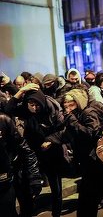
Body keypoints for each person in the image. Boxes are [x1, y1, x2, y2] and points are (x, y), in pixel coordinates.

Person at [5, 83, 66, 217]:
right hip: (32, 153)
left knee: (56, 188)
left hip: (51, 152)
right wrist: (21, 91)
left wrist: (50, 140)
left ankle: (56, 213)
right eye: (31, 104)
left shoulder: (53, 109)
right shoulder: (25, 110)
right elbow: (7, 110)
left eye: (37, 104)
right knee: (30, 185)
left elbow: (64, 130)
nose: (34, 108)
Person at [62, 88, 103, 217]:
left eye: (71, 105)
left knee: (93, 195)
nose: (68, 109)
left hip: (96, 161)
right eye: (65, 106)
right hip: (90, 162)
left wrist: (73, 122)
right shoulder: (76, 115)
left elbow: (91, 133)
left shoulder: (87, 113)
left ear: (79, 102)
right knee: (90, 197)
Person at [0, 92, 43, 217]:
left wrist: (34, 177)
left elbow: (26, 149)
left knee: (25, 207)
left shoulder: (4, 120)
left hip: (12, 175)